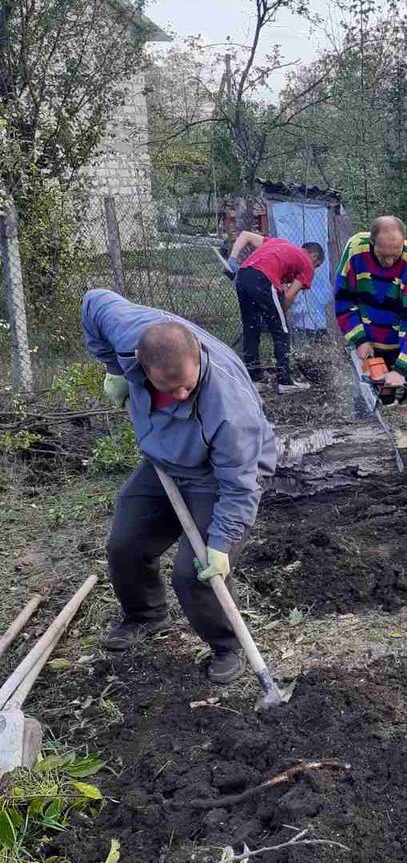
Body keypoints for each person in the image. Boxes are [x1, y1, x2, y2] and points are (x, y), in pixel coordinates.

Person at [82, 289, 277, 685]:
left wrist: (220, 544)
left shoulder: (230, 411)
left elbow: (240, 487)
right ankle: (145, 615)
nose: (182, 394)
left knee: (195, 570)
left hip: (218, 475)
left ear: (198, 358)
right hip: (164, 460)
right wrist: (115, 370)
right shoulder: (129, 332)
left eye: (188, 385)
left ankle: (227, 646)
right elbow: (92, 303)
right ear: (143, 365)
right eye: (170, 389)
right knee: (125, 543)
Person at [334, 215, 407, 402]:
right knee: (370, 402)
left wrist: (401, 369)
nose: (389, 263)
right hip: (369, 340)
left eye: (395, 254)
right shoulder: (355, 250)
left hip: (406, 340)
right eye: (383, 255)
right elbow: (343, 300)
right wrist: (359, 340)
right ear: (372, 242)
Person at [224, 232, 325, 393]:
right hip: (263, 279)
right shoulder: (307, 263)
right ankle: (285, 381)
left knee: (251, 330)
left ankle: (254, 379)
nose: (315, 269)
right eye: (317, 265)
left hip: (242, 276)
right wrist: (276, 318)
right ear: (314, 257)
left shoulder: (278, 243)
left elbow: (245, 236)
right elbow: (289, 296)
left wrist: (232, 259)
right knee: (281, 331)